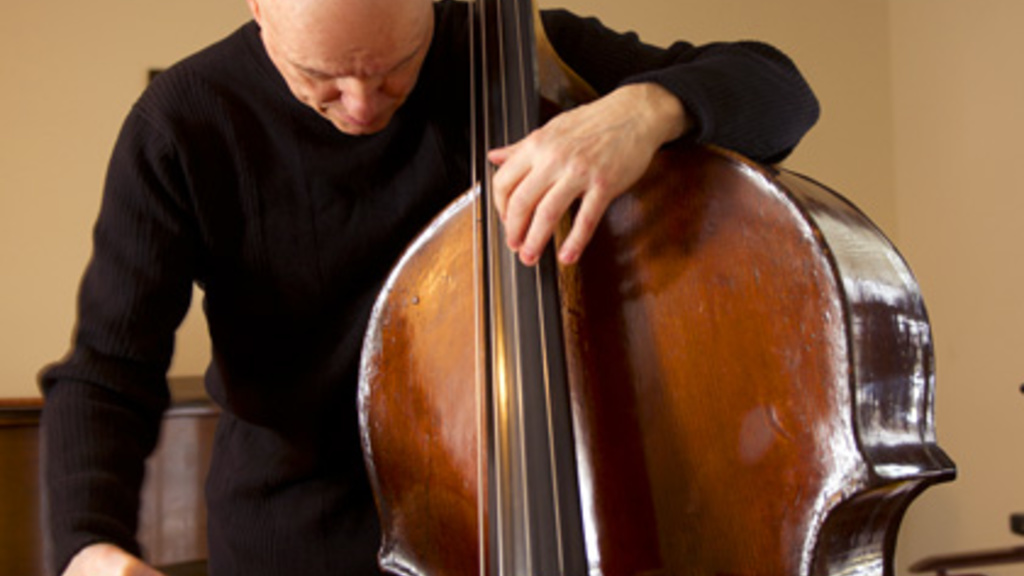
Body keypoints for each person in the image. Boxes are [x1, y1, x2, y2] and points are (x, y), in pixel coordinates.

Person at [39, 0, 819, 573]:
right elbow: (107, 370)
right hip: (297, 543)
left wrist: (644, 111)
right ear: (257, 9)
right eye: (321, 77)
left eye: (394, 69)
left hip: (533, 519)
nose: (362, 104)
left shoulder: (521, 50)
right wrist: (88, 544)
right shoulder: (183, 124)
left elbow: (783, 94)